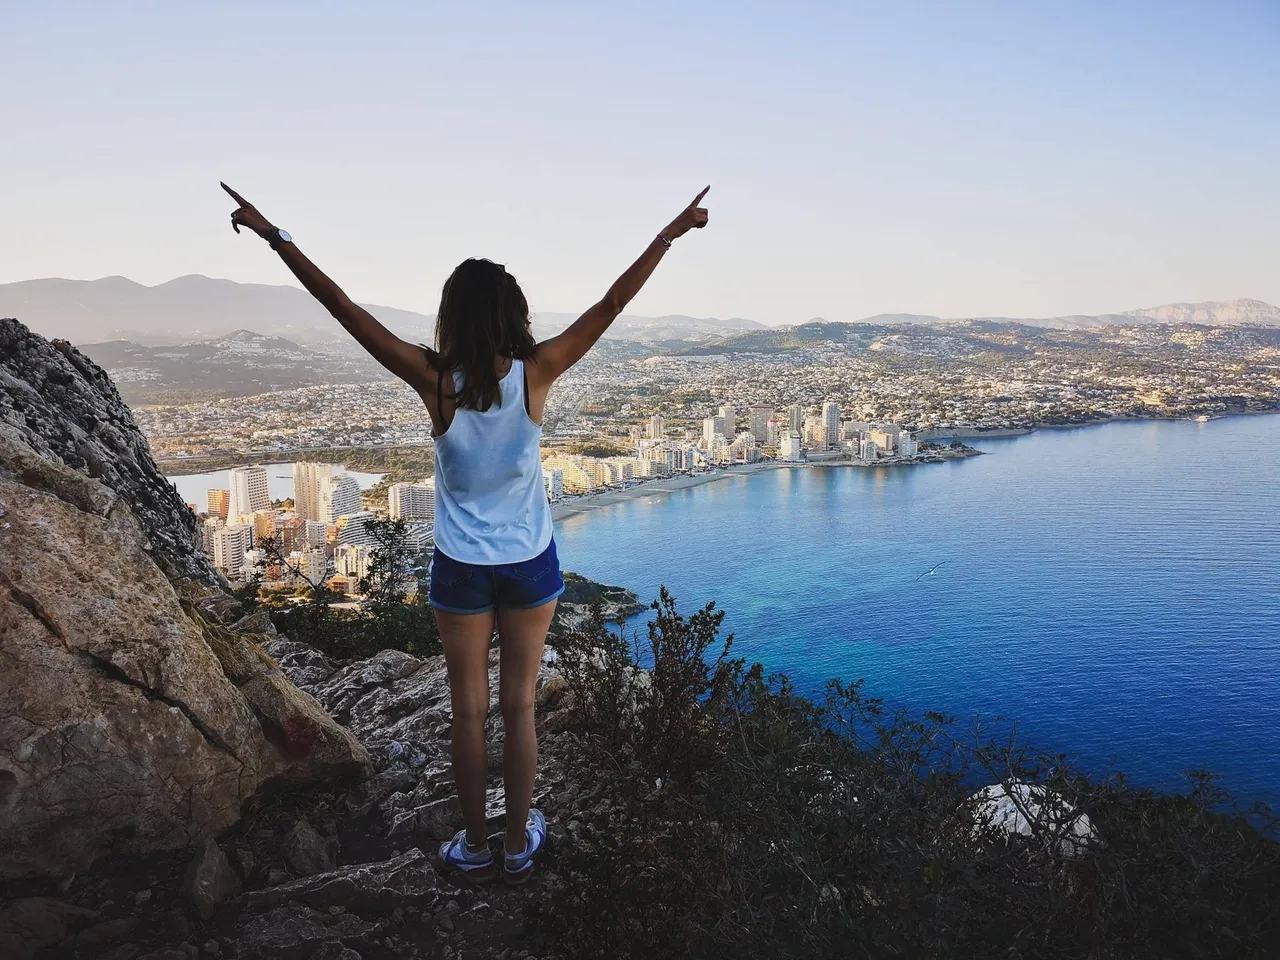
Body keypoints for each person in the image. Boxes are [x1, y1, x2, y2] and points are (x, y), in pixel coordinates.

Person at [220, 181, 710, 884]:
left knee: (468, 711)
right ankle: (518, 846)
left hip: (459, 570)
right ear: (514, 315)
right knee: (520, 708)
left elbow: (341, 307)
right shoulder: (538, 371)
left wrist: (276, 236)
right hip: (531, 567)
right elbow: (611, 305)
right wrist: (669, 234)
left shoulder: (434, 380)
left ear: (453, 317)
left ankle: (475, 846)